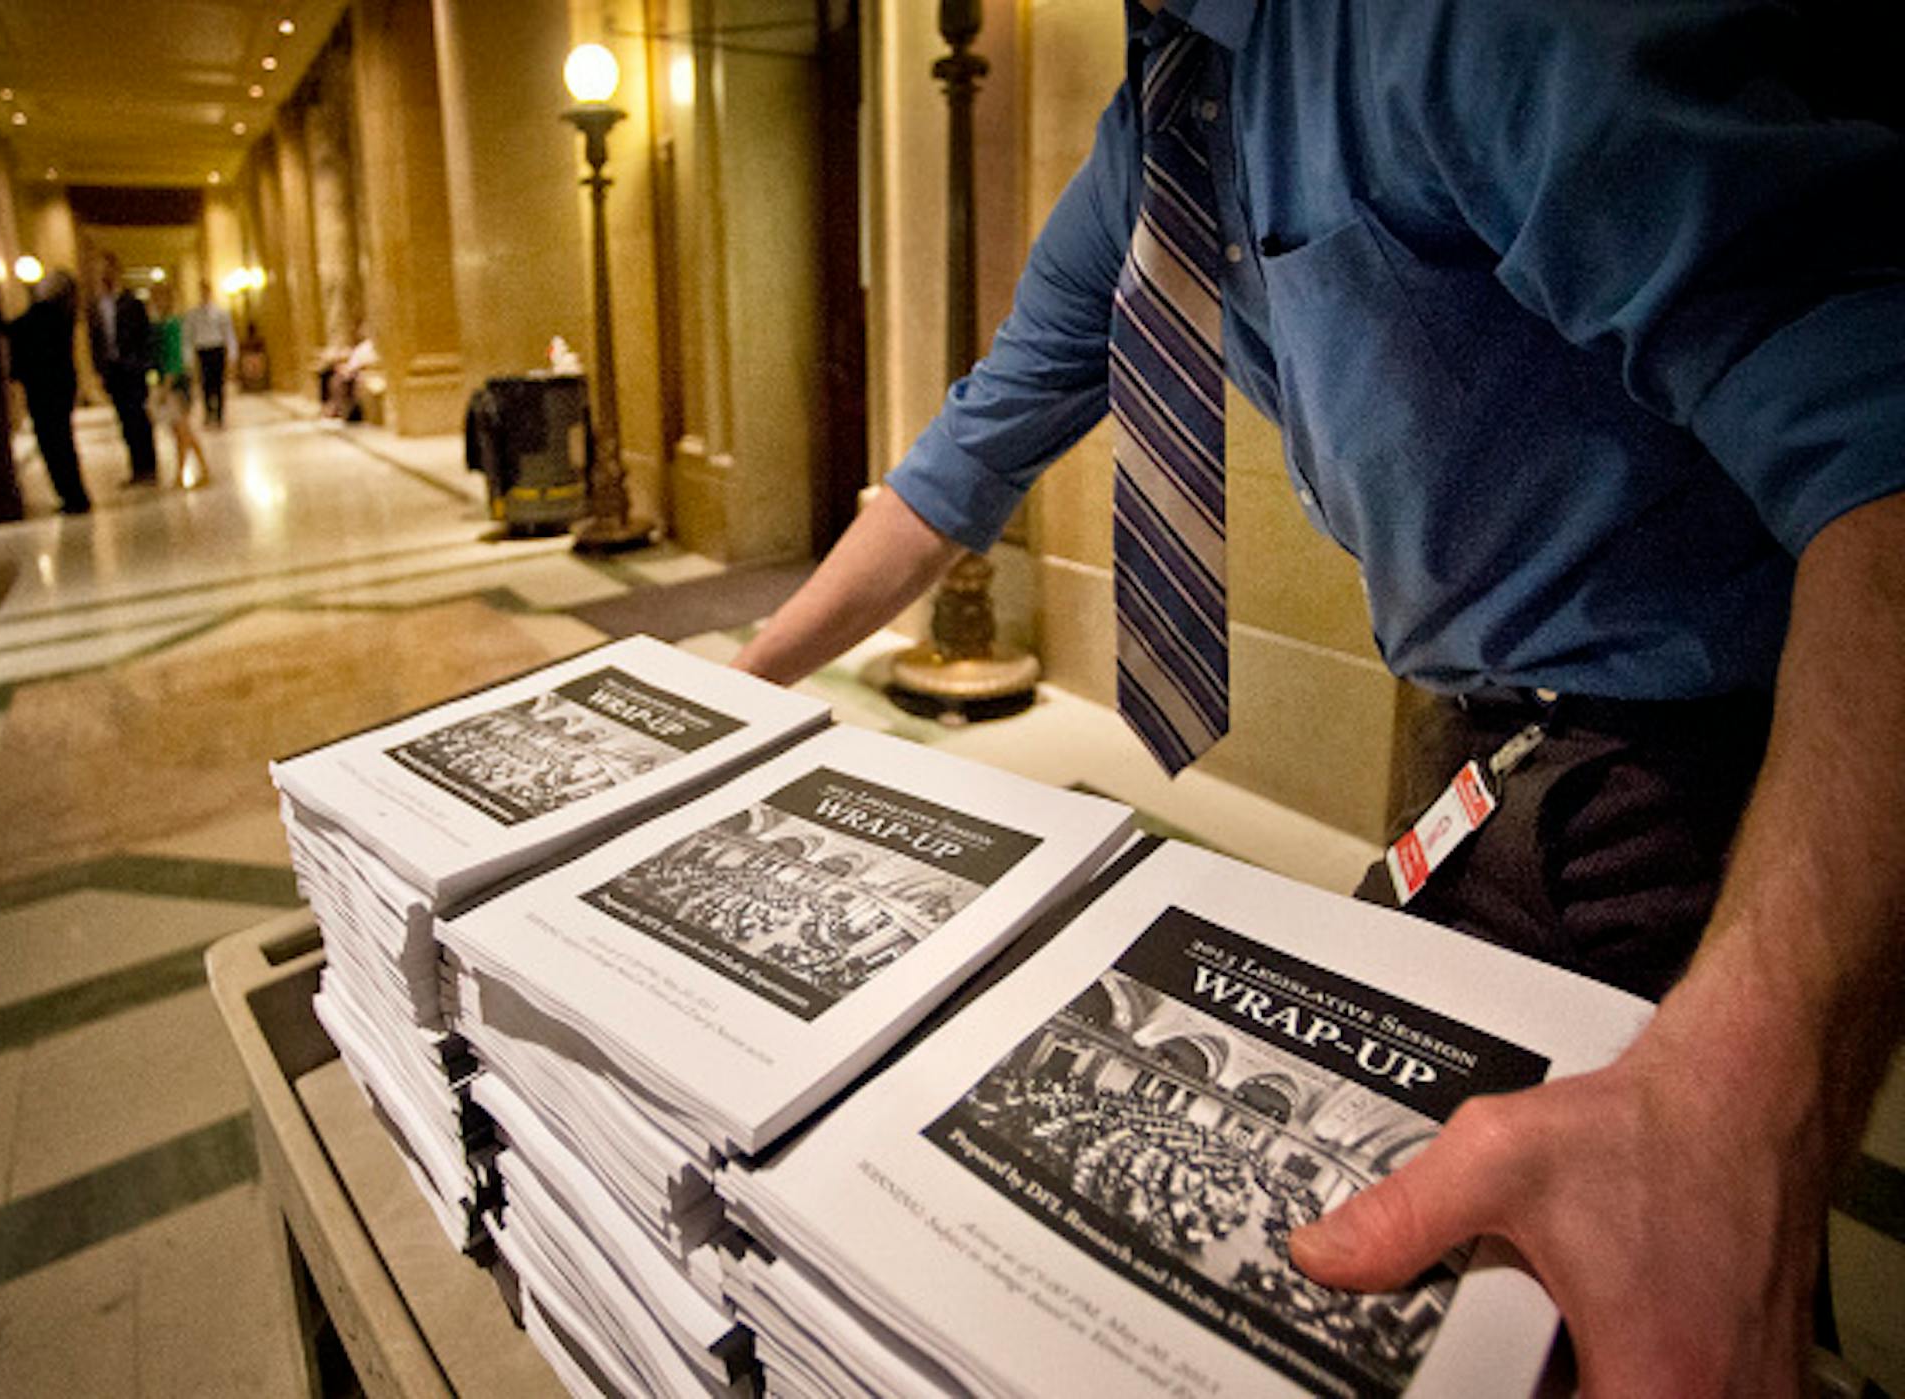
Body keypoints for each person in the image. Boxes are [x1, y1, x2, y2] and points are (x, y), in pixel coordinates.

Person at [732, 2, 1904, 1392]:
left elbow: (1876, 450)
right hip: (1470, 740)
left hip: (1690, 769)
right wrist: (737, 691)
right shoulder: (1161, 122)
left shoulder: (1456, 24)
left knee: (1640, 1292)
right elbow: (968, 454)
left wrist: (1748, 1121)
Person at [3, 269, 89, 515]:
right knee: (60, 440)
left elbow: (17, 328)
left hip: (47, 387)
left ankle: (72, 495)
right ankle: (73, 494)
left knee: (54, 441)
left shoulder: (47, 312)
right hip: (58, 384)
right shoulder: (63, 311)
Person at [86, 253, 159, 486]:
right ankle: (136, 468)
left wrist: (144, 365)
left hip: (133, 370)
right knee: (125, 421)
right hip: (113, 371)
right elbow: (95, 341)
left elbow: (146, 337)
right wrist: (99, 370)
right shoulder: (96, 306)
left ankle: (149, 467)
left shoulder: (132, 303)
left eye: (106, 269)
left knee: (139, 418)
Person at [147, 286, 211, 490]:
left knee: (183, 430)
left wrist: (166, 387)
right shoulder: (160, 325)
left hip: (175, 383)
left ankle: (194, 471)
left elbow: (174, 359)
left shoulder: (172, 326)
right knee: (179, 431)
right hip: (167, 381)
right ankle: (186, 472)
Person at [183, 280, 237, 426]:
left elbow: (229, 334)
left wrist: (232, 354)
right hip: (203, 350)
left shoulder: (221, 313)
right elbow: (188, 337)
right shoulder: (193, 314)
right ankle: (208, 413)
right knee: (205, 384)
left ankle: (220, 415)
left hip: (217, 349)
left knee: (219, 383)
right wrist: (188, 358)